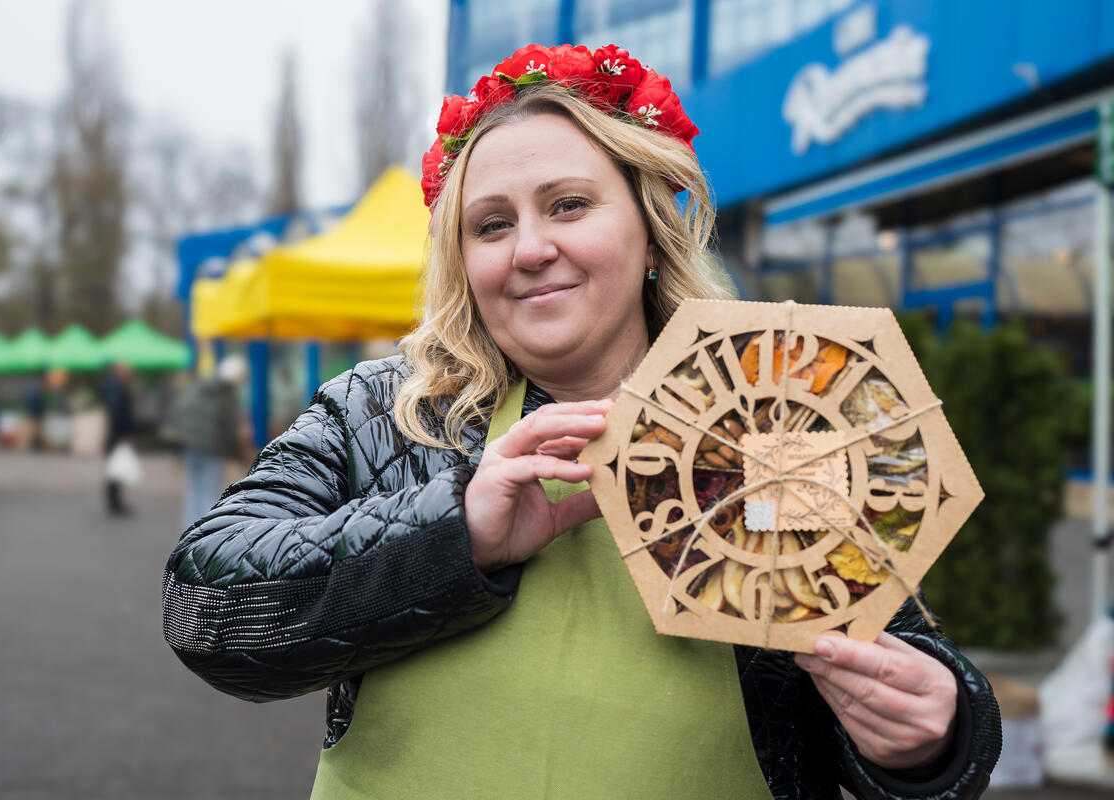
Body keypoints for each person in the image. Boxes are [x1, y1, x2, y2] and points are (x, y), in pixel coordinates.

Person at [163, 44, 1000, 799]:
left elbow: (894, 660)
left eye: (568, 205)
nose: (529, 249)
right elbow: (204, 607)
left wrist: (931, 737)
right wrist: (458, 533)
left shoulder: (782, 423)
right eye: (492, 225)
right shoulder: (384, 411)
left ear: (647, 228)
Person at [169, 354, 247, 528]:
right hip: (212, 449)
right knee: (209, 492)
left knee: (194, 490)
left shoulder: (198, 386)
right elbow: (230, 427)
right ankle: (205, 534)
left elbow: (178, 409)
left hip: (190, 445)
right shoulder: (227, 395)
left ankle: (189, 529)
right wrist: (236, 453)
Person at [100, 361, 136, 516]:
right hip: (116, 435)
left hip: (114, 434)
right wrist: (122, 435)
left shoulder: (113, 387)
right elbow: (118, 413)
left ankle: (115, 502)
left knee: (115, 468)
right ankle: (115, 503)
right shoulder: (116, 388)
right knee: (116, 469)